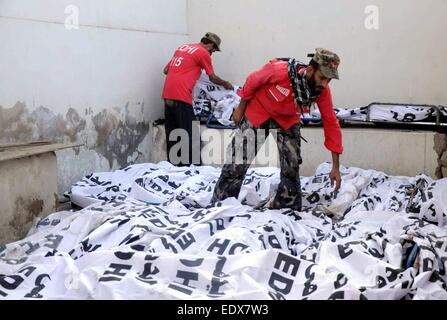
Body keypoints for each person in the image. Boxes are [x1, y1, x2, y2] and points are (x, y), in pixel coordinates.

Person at [211, 48, 343, 211]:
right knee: (237, 161)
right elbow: (252, 82)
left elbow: (331, 123)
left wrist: (336, 167)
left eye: (329, 80)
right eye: (322, 77)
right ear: (310, 70)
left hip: (287, 120)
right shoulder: (278, 71)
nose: (324, 84)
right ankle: (221, 204)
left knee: (291, 166)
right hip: (259, 112)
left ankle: (286, 209)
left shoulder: (321, 92)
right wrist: (240, 109)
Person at [162, 32, 233, 166]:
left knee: (173, 133)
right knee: (191, 134)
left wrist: (188, 71)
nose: (212, 53)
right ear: (211, 45)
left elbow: (166, 70)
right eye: (214, 50)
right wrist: (225, 83)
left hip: (167, 94)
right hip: (181, 95)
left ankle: (173, 167)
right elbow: (212, 77)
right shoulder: (203, 53)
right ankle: (192, 169)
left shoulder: (182, 48)